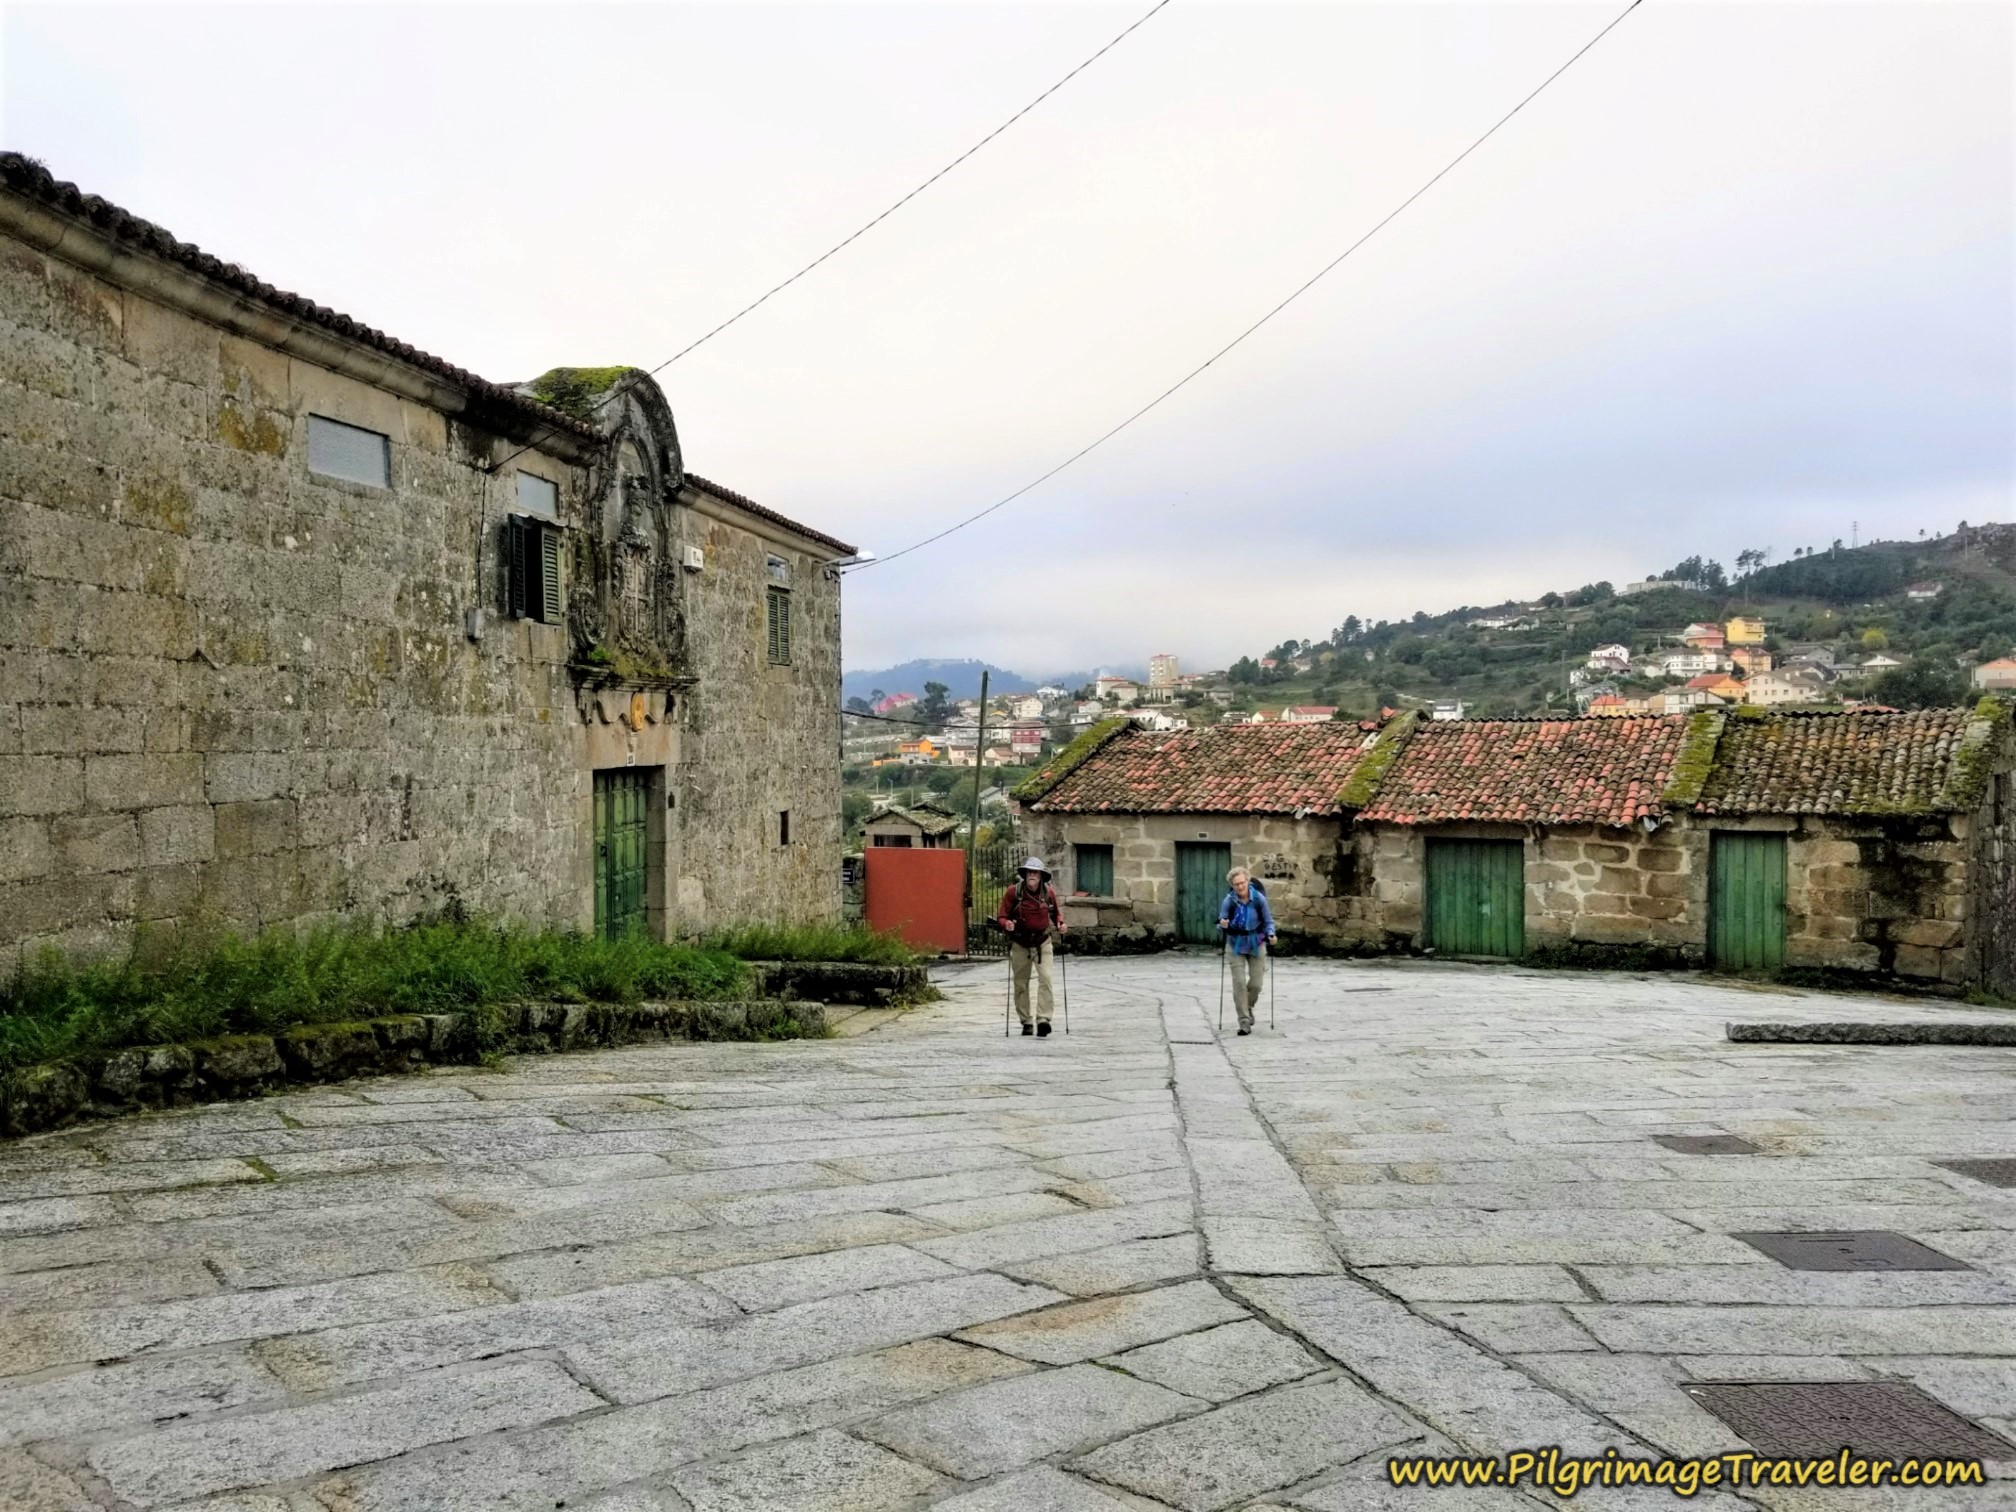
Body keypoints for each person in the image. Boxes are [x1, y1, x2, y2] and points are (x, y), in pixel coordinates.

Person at [996, 857, 1066, 1037]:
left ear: (1041, 876)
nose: (1032, 875)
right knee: (1021, 984)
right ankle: (1026, 1021)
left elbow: (1056, 915)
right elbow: (1001, 917)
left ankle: (1043, 1020)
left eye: (1035, 872)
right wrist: (1007, 925)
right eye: (1029, 872)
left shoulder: (1048, 893)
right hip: (1020, 943)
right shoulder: (1013, 892)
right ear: (1025, 875)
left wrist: (1060, 925)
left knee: (1046, 978)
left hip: (1043, 942)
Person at [1218, 866, 1276, 1036]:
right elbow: (1221, 921)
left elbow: (1268, 921)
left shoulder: (1259, 899)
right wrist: (1222, 924)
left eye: (1242, 883)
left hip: (1256, 943)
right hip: (1235, 944)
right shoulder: (1229, 901)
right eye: (1236, 884)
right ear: (1232, 885)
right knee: (1239, 983)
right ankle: (1244, 1021)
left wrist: (1271, 934)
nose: (1240, 887)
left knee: (1256, 984)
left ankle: (1248, 1006)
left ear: (1248, 881)